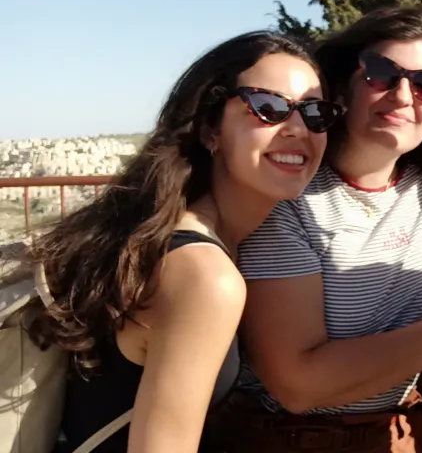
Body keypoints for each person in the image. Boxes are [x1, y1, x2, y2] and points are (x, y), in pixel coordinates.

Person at [230, 6, 422, 452]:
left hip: (404, 436)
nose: (405, 96)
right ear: (344, 87)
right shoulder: (289, 201)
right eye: (382, 73)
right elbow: (298, 383)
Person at [25, 31, 338, 452]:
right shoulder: (205, 277)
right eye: (268, 108)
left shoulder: (162, 233)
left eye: (315, 113)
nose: (298, 128)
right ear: (211, 128)